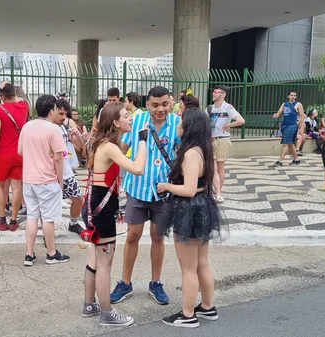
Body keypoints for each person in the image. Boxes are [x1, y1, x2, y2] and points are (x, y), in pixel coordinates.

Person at [110, 86, 179, 306]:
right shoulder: (137, 121)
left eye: (165, 104)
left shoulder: (178, 125)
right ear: (147, 104)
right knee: (132, 236)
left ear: (171, 103)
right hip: (136, 189)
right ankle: (125, 282)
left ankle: (155, 283)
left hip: (163, 192)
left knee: (158, 236)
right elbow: (122, 148)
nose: (160, 109)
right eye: (155, 104)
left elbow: (186, 154)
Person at [82, 101, 147, 327]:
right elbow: (137, 168)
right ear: (115, 122)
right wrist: (143, 140)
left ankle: (89, 304)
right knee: (105, 263)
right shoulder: (109, 146)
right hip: (101, 207)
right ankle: (107, 313)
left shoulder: (106, 143)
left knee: (95, 258)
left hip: (97, 203)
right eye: (125, 115)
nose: (130, 117)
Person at [157, 107, 221, 328]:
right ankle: (207, 306)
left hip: (189, 208)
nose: (177, 125)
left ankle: (187, 315)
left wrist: (166, 186)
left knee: (189, 267)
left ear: (188, 126)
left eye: (181, 122)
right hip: (202, 207)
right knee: (202, 263)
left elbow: (190, 189)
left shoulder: (191, 153)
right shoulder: (203, 149)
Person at [20, 94, 70, 266]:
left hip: (28, 179)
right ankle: (51, 253)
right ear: (51, 111)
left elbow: (20, 151)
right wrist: (60, 180)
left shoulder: (27, 127)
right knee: (48, 218)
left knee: (32, 216)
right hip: (47, 179)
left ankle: (29, 254)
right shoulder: (53, 129)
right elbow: (58, 158)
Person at [0, 82, 28, 231]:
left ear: (2, 96)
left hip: (3, 154)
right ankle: (13, 220)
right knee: (17, 188)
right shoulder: (24, 106)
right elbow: (20, 99)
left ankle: (2, 219)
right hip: (19, 153)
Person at [206, 85, 245, 203]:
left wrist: (228, 125)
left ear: (223, 95)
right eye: (213, 92)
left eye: (216, 92)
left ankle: (218, 192)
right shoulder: (209, 108)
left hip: (223, 139)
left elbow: (241, 120)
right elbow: (204, 123)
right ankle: (214, 191)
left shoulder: (228, 107)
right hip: (211, 140)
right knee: (213, 168)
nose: (213, 94)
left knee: (220, 167)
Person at [53, 99, 85, 234]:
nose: (63, 117)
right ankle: (49, 233)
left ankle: (73, 223)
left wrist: (77, 136)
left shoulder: (64, 127)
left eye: (65, 114)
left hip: (66, 172)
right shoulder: (48, 128)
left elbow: (81, 146)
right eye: (60, 114)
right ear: (52, 111)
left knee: (78, 199)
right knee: (49, 206)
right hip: (51, 174)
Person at [273, 91, 305, 167]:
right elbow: (279, 113)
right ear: (288, 96)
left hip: (292, 125)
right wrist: (276, 115)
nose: (293, 97)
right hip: (284, 125)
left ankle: (280, 161)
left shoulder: (298, 104)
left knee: (286, 144)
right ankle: (296, 159)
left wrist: (301, 127)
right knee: (290, 144)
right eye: (291, 95)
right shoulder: (284, 104)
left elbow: (302, 116)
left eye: (294, 95)